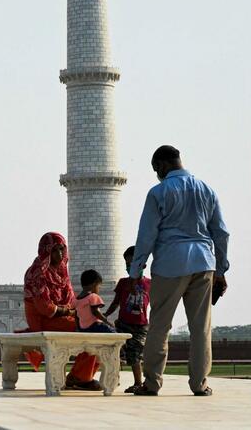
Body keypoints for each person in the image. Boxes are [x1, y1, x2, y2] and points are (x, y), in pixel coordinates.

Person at [128, 145, 230, 397]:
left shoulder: (159, 192)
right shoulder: (207, 190)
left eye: (156, 170)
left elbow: (147, 235)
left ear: (162, 165)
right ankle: (200, 383)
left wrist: (136, 270)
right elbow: (221, 232)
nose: (157, 174)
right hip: (203, 263)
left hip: (170, 264)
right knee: (200, 328)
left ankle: (152, 383)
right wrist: (221, 269)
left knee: (160, 325)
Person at [22, 232, 100, 390]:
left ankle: (80, 376)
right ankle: (80, 378)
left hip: (62, 317)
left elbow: (71, 301)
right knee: (89, 330)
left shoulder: (61, 271)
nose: (59, 254)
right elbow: (44, 307)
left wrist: (77, 311)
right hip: (43, 319)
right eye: (55, 250)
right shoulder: (38, 272)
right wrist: (69, 312)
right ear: (46, 251)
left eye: (61, 249)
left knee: (98, 331)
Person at [106, 245, 151, 393]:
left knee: (135, 354)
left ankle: (138, 382)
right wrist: (105, 315)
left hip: (140, 325)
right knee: (114, 351)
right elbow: (116, 302)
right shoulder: (123, 283)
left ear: (143, 264)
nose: (129, 267)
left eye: (132, 264)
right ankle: (113, 379)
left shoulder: (149, 284)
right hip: (123, 323)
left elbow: (157, 304)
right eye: (127, 264)